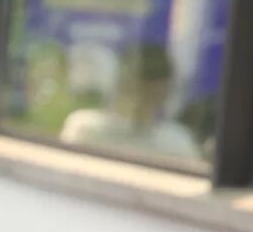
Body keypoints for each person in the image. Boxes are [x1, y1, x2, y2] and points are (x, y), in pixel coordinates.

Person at [59, 44, 202, 161]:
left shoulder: (176, 144)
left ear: (165, 93)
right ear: (120, 84)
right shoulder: (86, 129)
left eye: (151, 94)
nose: (138, 101)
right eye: (134, 89)